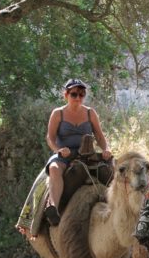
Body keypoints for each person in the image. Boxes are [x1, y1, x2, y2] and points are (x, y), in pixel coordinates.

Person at [44, 78, 112, 224]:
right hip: (65, 155)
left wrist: (106, 149)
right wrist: (58, 150)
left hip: (87, 154)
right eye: (74, 94)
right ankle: (53, 208)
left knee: (115, 167)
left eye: (81, 94)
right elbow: (50, 138)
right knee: (54, 168)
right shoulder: (58, 113)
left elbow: (99, 136)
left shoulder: (90, 113)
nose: (78, 98)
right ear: (66, 95)